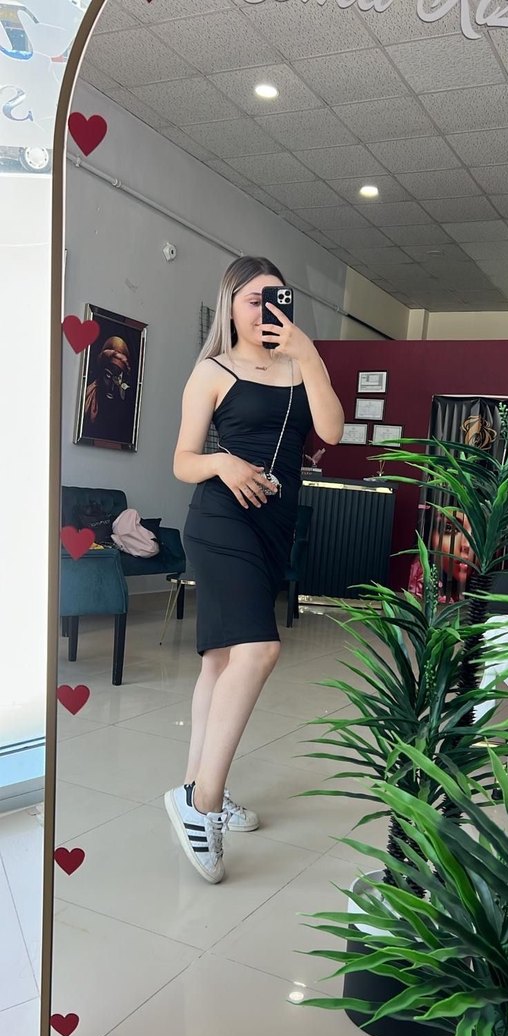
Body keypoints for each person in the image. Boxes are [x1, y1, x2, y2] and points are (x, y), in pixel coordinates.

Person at [165, 256, 344, 884]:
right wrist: (224, 463)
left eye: (277, 297)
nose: (266, 308)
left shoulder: (301, 366)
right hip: (220, 520)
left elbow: (332, 431)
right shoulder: (212, 371)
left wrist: (311, 355)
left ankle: (196, 783)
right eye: (253, 298)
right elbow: (182, 461)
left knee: (220, 661)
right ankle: (203, 803)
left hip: (273, 526)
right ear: (231, 306)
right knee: (259, 649)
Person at [83, 335, 134, 444]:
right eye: (107, 376)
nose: (112, 386)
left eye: (117, 379)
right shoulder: (88, 397)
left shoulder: (125, 407)